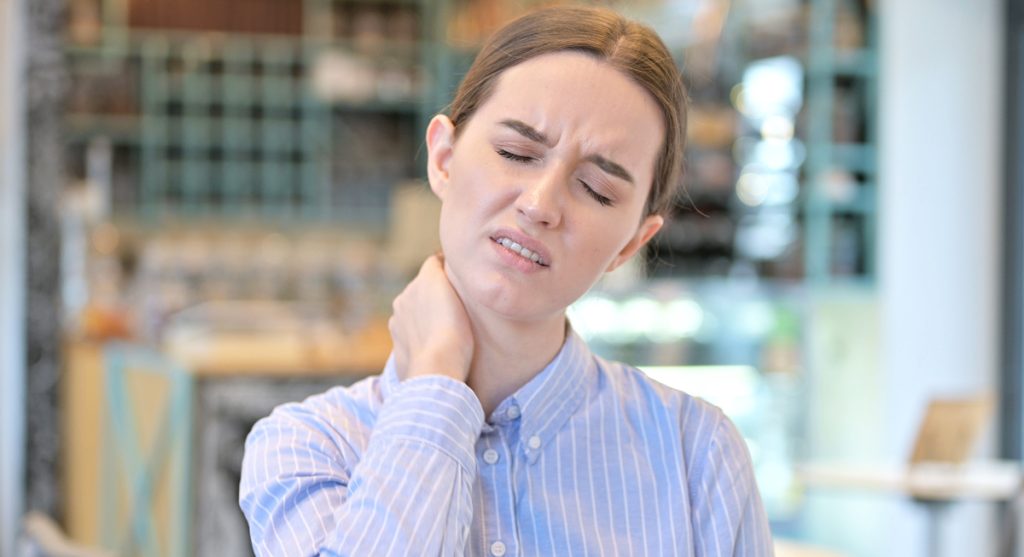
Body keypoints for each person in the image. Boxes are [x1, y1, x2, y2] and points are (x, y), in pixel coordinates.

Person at [239, 5, 773, 556]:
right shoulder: (308, 445)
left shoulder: (697, 457)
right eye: (516, 153)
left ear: (632, 243)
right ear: (443, 158)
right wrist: (436, 381)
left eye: (596, 189)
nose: (540, 205)